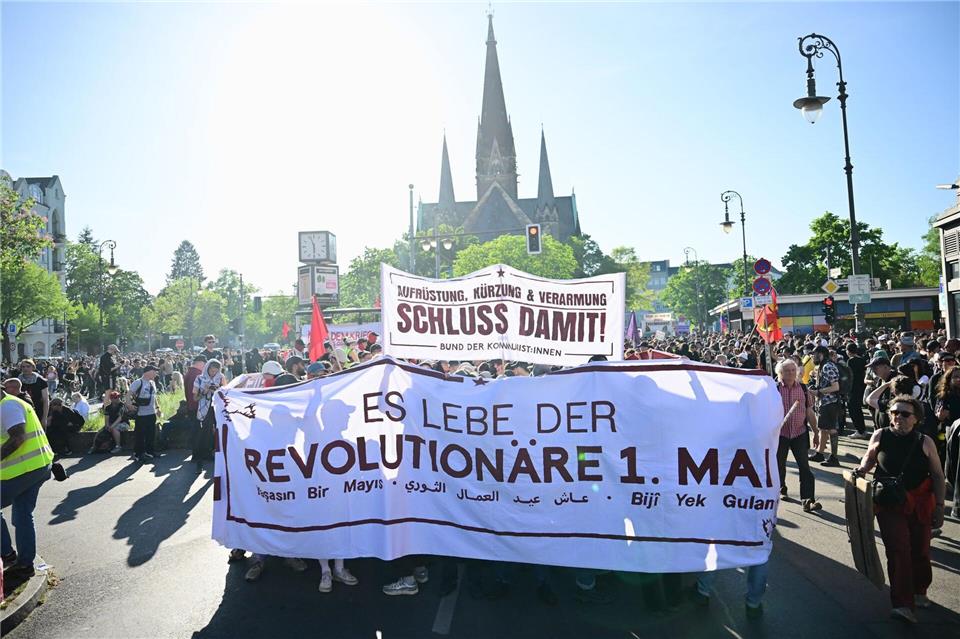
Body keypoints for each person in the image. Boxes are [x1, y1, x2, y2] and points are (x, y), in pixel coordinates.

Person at [853, 395, 946, 624]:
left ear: (916, 419)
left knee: (920, 550)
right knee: (898, 550)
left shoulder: (925, 441)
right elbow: (869, 458)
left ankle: (919, 590)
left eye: (905, 414)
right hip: (889, 502)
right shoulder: (880, 434)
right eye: (894, 413)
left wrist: (941, 507)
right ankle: (903, 603)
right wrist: (861, 470)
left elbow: (937, 475)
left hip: (921, 503)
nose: (898, 417)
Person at [1, 383, 55, 587]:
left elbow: (18, 437)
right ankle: (24, 564)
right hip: (36, 467)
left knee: (22, 514)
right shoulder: (9, 404)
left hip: (25, 470)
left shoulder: (7, 406)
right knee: (22, 514)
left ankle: (7, 553)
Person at [775, 359, 822, 511]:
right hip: (780, 434)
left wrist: (815, 432)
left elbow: (809, 411)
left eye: (792, 370)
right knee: (778, 464)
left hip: (799, 433)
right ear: (780, 373)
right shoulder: (774, 389)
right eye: (787, 371)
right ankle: (781, 488)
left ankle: (808, 499)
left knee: (804, 467)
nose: (790, 373)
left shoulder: (803, 388)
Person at [809, 346, 842, 467]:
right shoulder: (823, 365)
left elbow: (835, 387)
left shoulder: (828, 366)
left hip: (830, 402)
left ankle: (834, 457)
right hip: (824, 402)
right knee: (823, 428)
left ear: (821, 354)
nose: (813, 356)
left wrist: (819, 392)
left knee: (831, 429)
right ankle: (820, 453)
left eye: (814, 354)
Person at [192, 359, 225, 471]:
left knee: (221, 433)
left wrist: (218, 390)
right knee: (203, 435)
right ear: (207, 368)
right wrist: (204, 391)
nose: (213, 373)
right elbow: (195, 398)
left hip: (218, 410)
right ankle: (199, 462)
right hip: (204, 410)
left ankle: (220, 459)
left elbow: (227, 394)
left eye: (216, 371)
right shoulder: (199, 378)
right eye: (211, 371)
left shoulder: (221, 378)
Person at [129, 365, 161, 463]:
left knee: (151, 433)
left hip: (151, 413)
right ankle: (139, 453)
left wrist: (158, 408)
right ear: (148, 372)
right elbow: (128, 393)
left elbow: (154, 397)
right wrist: (129, 405)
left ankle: (150, 451)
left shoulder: (152, 383)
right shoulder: (138, 382)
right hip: (141, 414)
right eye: (154, 371)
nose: (156, 373)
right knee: (140, 434)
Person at [845, 342, 869, 439]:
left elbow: (849, 376)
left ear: (848, 351)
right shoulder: (862, 360)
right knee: (858, 410)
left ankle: (860, 430)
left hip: (853, 389)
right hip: (861, 387)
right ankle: (862, 430)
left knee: (853, 410)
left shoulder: (850, 361)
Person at [17, 359, 49, 425]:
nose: (25, 368)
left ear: (33, 367)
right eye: (23, 367)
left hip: (38, 411)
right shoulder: (18, 381)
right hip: (21, 412)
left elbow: (46, 400)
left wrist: (44, 418)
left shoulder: (40, 380)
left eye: (28, 366)